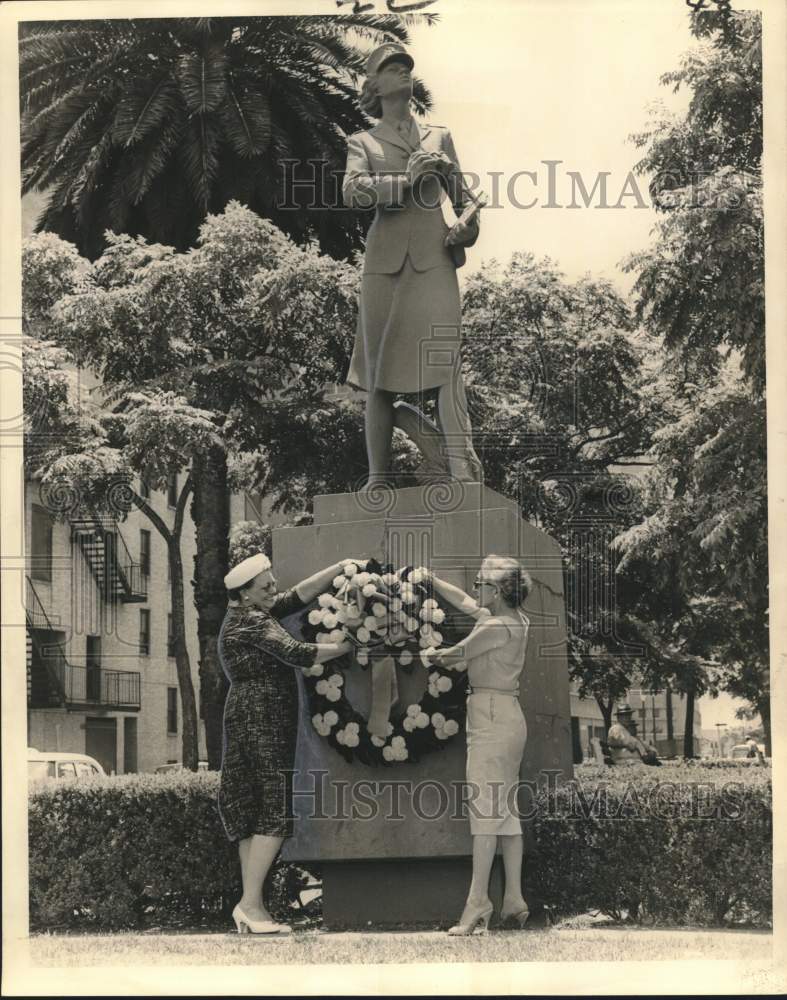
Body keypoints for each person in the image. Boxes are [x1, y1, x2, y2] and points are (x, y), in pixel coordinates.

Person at [342, 42, 483, 485]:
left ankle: (461, 469)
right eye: (391, 67)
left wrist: (466, 228)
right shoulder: (362, 141)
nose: (402, 70)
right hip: (384, 267)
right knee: (379, 376)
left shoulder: (439, 137)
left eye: (405, 66)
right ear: (375, 86)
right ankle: (378, 477)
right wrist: (407, 180)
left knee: (445, 364)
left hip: (435, 260)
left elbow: (466, 204)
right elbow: (353, 193)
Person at [218, 552, 358, 935]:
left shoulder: (252, 611)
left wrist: (337, 566)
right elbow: (297, 653)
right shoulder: (250, 621)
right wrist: (349, 646)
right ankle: (249, 904)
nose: (273, 590)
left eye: (271, 582)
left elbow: (295, 597)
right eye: (265, 587)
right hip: (260, 719)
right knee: (273, 812)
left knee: (253, 816)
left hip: (253, 717)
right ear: (245, 594)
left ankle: (252, 907)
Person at [423, 556, 532, 935]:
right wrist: (433, 581)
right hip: (505, 714)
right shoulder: (512, 619)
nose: (475, 589)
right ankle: (514, 899)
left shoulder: (495, 626)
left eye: (482, 583)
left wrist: (426, 652)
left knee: (485, 811)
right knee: (504, 810)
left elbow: (456, 654)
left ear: (499, 591)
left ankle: (477, 902)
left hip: (490, 715)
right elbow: (467, 605)